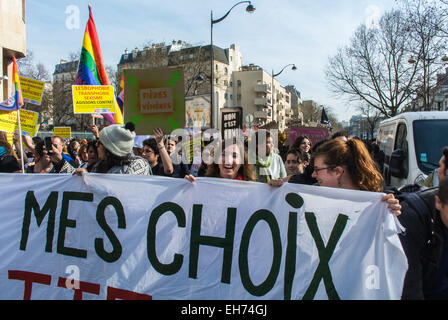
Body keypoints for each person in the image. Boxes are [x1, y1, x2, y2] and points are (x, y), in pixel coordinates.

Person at [268, 138, 401, 215]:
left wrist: (390, 212)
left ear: (337, 171)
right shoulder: (314, 193)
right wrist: (277, 191)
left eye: (317, 170)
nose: (314, 175)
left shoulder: (381, 203)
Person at [398, 146, 448, 299]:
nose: (438, 171)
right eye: (439, 166)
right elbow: (409, 290)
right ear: (439, 202)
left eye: (441, 166)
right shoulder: (411, 218)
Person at [55, 122, 151, 175]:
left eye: (100, 143)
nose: (97, 146)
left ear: (111, 148)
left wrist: (89, 179)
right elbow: (74, 178)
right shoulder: (99, 165)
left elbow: (119, 189)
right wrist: (59, 160)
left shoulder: (138, 164)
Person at [185, 140, 256, 182]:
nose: (228, 161)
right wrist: (186, 190)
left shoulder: (253, 189)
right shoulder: (204, 184)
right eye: (223, 155)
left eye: (234, 156)